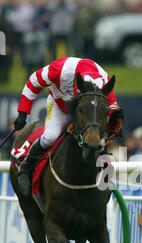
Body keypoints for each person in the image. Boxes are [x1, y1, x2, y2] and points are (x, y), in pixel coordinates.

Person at [14, 56, 124, 197]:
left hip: (87, 111)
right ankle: (26, 167)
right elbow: (33, 80)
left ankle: (105, 179)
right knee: (49, 137)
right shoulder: (60, 69)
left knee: (100, 141)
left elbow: (112, 105)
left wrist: (115, 116)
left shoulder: (103, 79)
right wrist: (23, 112)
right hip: (60, 105)